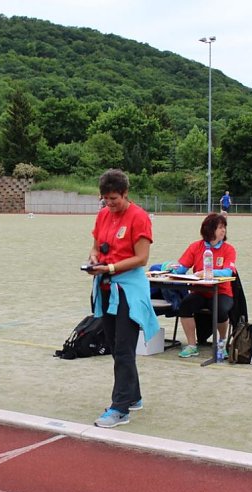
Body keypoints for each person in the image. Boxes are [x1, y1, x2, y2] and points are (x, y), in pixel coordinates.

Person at [86, 169, 158, 429]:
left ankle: (120, 408)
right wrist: (94, 259)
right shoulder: (103, 214)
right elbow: (95, 246)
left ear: (126, 194)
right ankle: (134, 396)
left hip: (129, 290)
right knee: (116, 346)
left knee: (125, 349)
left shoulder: (139, 217)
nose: (109, 204)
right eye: (105, 199)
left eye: (114, 198)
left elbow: (142, 258)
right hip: (106, 287)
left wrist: (112, 268)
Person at [167, 213, 236, 359]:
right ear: (209, 230)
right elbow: (182, 267)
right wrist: (170, 268)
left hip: (221, 292)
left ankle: (222, 344)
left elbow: (229, 271)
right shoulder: (195, 247)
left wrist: (209, 272)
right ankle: (192, 345)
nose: (223, 231)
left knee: (221, 309)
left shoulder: (228, 249)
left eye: (224, 228)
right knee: (185, 306)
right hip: (200, 292)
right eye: (219, 228)